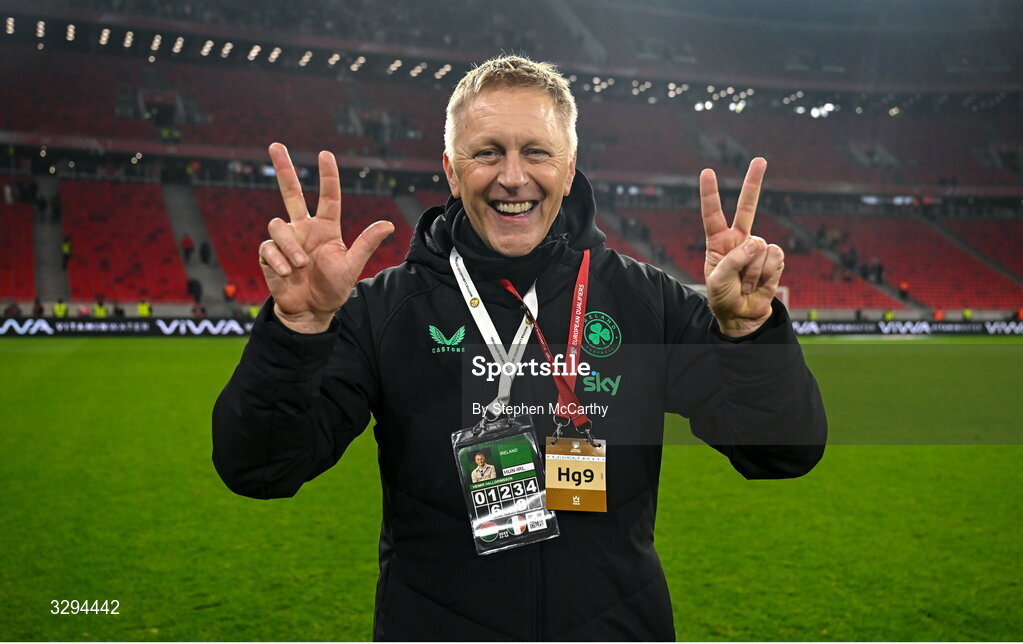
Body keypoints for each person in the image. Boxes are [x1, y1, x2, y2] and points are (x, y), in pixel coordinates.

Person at [212, 56, 826, 641]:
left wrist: (748, 334)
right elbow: (261, 468)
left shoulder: (645, 303)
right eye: (487, 153)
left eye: (536, 152)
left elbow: (780, 452)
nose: (513, 177)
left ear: (568, 165)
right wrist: (298, 327)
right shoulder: (385, 311)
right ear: (451, 169)